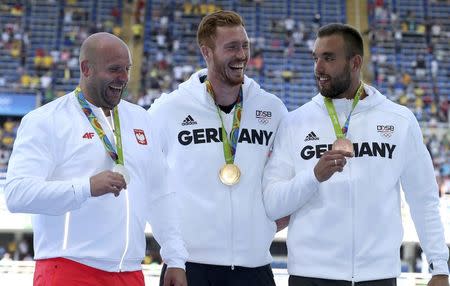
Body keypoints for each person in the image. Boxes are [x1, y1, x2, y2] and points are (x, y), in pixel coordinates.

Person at [262, 23, 449, 286]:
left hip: (378, 277)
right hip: (311, 277)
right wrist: (313, 177)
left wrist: (440, 267)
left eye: (328, 58)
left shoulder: (399, 120)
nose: (318, 68)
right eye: (316, 58)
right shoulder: (295, 123)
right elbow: (272, 203)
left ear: (355, 62)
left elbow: (423, 198)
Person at [4, 32, 187, 286]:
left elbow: (161, 195)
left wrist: (175, 258)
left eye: (127, 69)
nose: (123, 78)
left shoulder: (142, 120)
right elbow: (17, 194)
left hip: (130, 273)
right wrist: (86, 188)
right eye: (114, 69)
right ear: (86, 68)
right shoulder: (46, 120)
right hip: (69, 270)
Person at [147, 10, 288, 286]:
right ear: (207, 52)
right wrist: (173, 251)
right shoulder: (168, 110)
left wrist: (265, 226)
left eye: (245, 45)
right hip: (189, 266)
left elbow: (289, 177)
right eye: (232, 47)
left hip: (254, 267)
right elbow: (149, 180)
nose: (242, 55)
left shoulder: (272, 109)